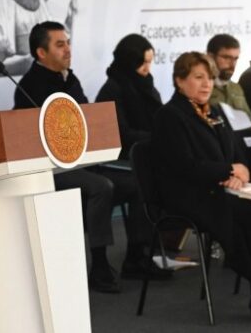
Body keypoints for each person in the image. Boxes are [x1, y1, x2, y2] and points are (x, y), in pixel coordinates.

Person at [14, 23, 169, 294]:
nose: (68, 49)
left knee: (136, 183)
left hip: (83, 160)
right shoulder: (29, 86)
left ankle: (136, 256)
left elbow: (87, 119)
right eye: (60, 44)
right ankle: (99, 265)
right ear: (41, 52)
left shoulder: (69, 79)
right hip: (51, 167)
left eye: (68, 43)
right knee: (102, 187)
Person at [152, 52, 251, 325]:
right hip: (190, 195)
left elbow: (235, 151)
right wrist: (227, 171)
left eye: (209, 78)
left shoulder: (214, 111)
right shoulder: (170, 115)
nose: (206, 84)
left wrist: (240, 172)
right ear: (179, 81)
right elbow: (184, 166)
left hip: (221, 188)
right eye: (198, 77)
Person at [96, 34, 162, 159]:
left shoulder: (148, 87)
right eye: (143, 62)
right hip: (123, 160)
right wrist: (157, 137)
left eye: (149, 62)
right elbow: (121, 135)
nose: (147, 69)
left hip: (150, 155)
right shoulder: (110, 91)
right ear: (129, 61)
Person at [206, 34, 251, 124]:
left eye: (235, 59)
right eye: (226, 58)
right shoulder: (201, 88)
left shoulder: (236, 88)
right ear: (211, 57)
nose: (232, 64)